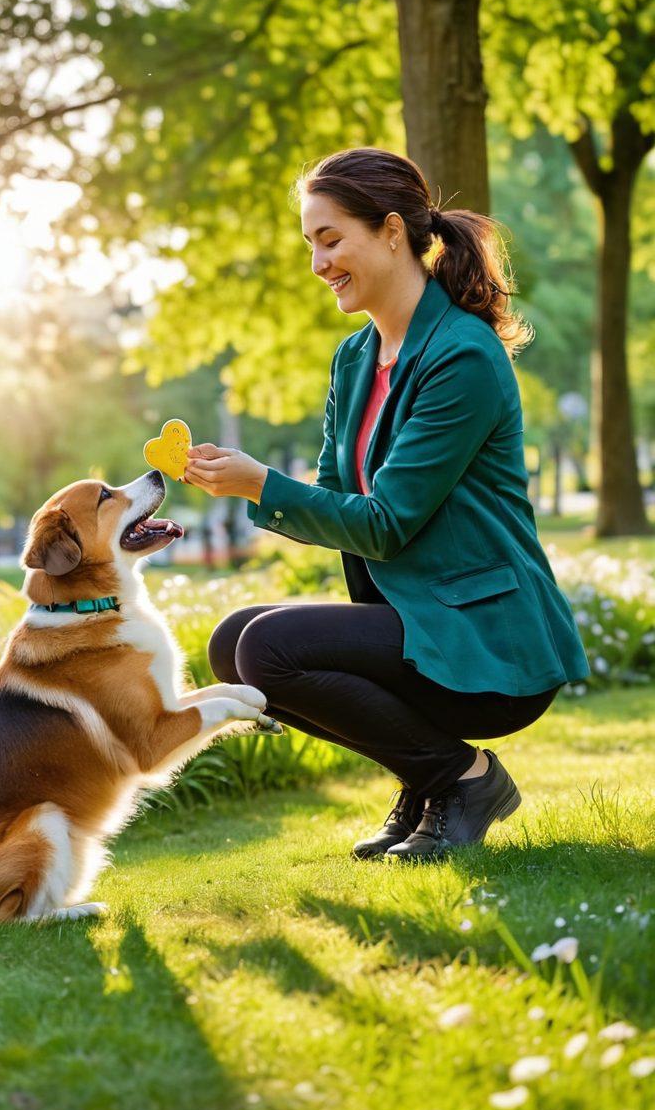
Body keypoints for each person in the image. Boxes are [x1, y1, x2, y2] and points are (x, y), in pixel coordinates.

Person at [181, 146, 590, 862]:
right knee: (231, 646)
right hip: (414, 623)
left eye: (330, 238)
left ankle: (462, 780)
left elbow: (388, 524)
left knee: (266, 648)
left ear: (393, 231)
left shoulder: (461, 356)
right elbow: (336, 498)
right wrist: (243, 481)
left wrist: (259, 486)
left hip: (483, 638)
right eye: (311, 243)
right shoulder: (354, 358)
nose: (318, 263)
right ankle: (429, 775)